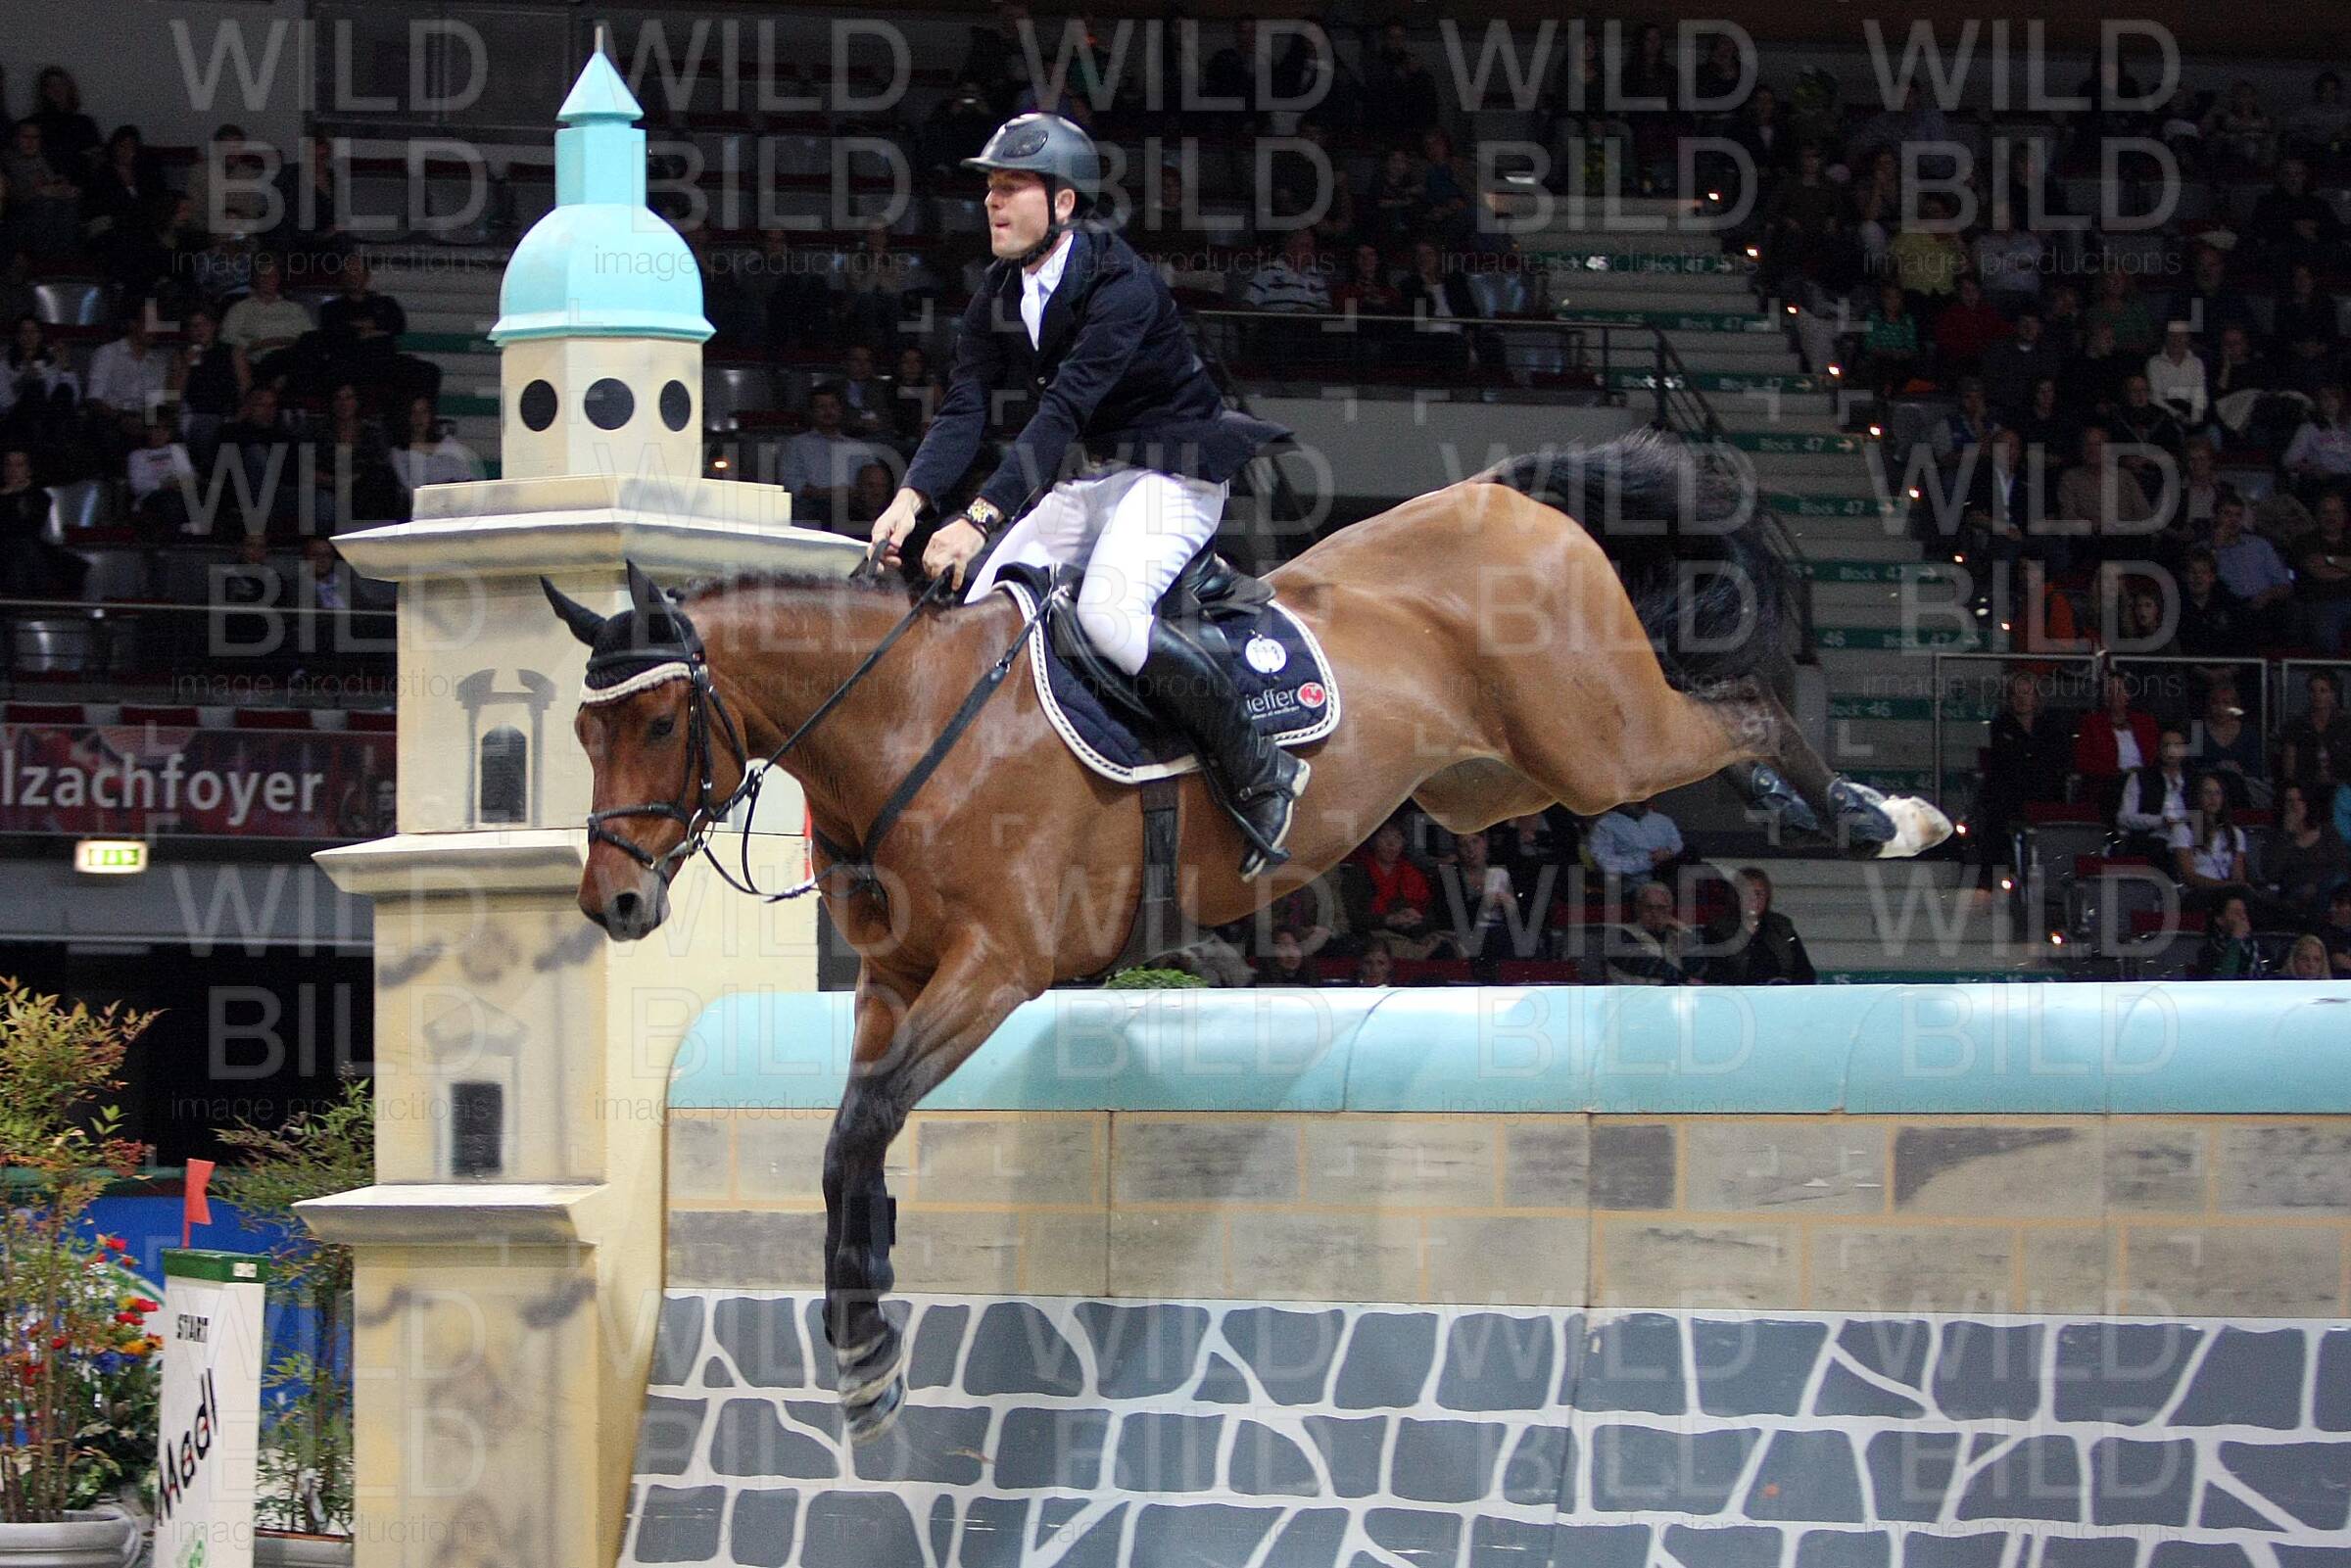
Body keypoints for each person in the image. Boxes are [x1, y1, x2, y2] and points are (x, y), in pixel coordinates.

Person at [871, 113, 1300, 876]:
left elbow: (1061, 412)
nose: (992, 201)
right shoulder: (999, 292)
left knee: (1107, 613)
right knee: (984, 604)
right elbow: (965, 408)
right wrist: (911, 497)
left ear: (1063, 203)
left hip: (1177, 472)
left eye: (1012, 187)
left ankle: (1260, 768)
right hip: (1101, 475)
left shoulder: (1121, 284)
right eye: (990, 188)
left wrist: (978, 518)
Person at [1974, 672, 2071, 888]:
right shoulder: (2001, 726)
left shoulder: (2050, 727)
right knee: (1998, 809)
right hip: (2009, 793)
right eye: (2016, 694)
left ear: (2036, 697)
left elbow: (2056, 761)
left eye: (2026, 693)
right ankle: (1998, 875)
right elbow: (2003, 763)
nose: (2021, 699)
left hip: (2043, 792)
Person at [1703, 867, 1815, 984]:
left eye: (1758, 894)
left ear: (1767, 897)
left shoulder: (1781, 928)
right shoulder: (1718, 930)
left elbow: (1804, 972)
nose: (1753, 900)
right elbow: (1714, 974)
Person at [2264, 781, 2347, 917]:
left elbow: (2342, 863)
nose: (2295, 805)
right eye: (2289, 801)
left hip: (2331, 886)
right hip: (2295, 891)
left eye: (2300, 800)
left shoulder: (2327, 831)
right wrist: (2288, 835)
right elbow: (2271, 874)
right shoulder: (2275, 837)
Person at [2119, 726, 2194, 857]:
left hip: (2189, 842)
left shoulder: (2194, 780)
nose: (2171, 750)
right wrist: (2160, 821)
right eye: (2166, 745)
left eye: (2177, 745)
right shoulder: (2140, 778)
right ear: (2158, 749)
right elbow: (2123, 818)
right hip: (2152, 841)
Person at [2171, 773, 2249, 899]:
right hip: (2197, 893)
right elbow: (2189, 877)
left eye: (2217, 793)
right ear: (2197, 796)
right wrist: (2225, 886)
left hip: (2228, 893)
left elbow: (2238, 875)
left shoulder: (2234, 833)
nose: (2213, 798)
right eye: (2207, 792)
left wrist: (2234, 887)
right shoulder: (2185, 830)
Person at [1607, 879, 1700, 985]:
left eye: (1661, 908)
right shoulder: (1618, 933)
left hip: (1675, 993)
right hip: (1632, 993)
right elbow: (1643, 964)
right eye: (1649, 907)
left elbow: (1698, 969)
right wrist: (1684, 978)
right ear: (1637, 908)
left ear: (1670, 909)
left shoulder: (1677, 935)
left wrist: (1685, 933)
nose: (1655, 913)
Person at [1587, 799, 1688, 888]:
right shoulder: (1605, 825)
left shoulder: (1661, 820)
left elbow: (1677, 843)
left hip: (1669, 880)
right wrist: (1648, 860)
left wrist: (1668, 852)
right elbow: (1605, 863)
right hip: (1629, 887)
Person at [2280, 672, 2351, 786]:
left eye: (2323, 691)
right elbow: (2289, 765)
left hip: (2342, 787)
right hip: (2305, 786)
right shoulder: (2296, 725)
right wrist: (2292, 786)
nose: (2317, 695)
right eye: (2313, 690)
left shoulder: (2346, 725)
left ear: (2333, 694)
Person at [2191, 891, 2266, 978]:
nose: (2243, 917)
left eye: (2244, 912)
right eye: (2236, 913)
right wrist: (2236, 940)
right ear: (2220, 919)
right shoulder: (2209, 952)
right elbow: (2225, 978)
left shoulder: (2258, 946)